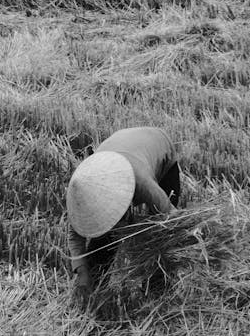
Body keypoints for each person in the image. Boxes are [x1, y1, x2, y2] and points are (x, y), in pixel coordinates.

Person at [66, 126, 180, 298]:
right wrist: (82, 272)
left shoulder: (142, 183)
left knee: (159, 232)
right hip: (119, 144)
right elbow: (75, 235)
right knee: (105, 235)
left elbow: (172, 217)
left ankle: (156, 291)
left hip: (157, 145)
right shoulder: (82, 188)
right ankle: (96, 287)